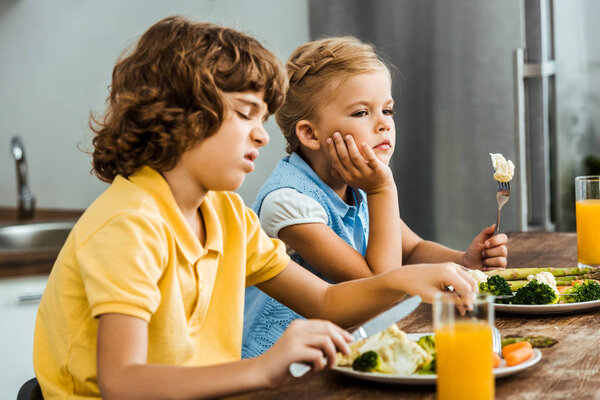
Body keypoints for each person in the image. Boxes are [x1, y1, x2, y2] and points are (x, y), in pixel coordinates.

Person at [33, 17, 477, 399]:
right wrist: (263, 368)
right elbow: (122, 383)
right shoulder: (129, 225)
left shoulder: (226, 215)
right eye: (245, 113)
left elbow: (323, 300)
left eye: (262, 119)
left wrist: (408, 277)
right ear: (181, 115)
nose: (262, 136)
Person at [243, 37, 508, 358]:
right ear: (311, 134)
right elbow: (382, 284)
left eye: (387, 109)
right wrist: (382, 190)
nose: (384, 124)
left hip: (345, 350)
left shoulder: (357, 184)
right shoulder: (288, 204)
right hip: (285, 366)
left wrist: (462, 262)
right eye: (361, 112)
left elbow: (411, 250)